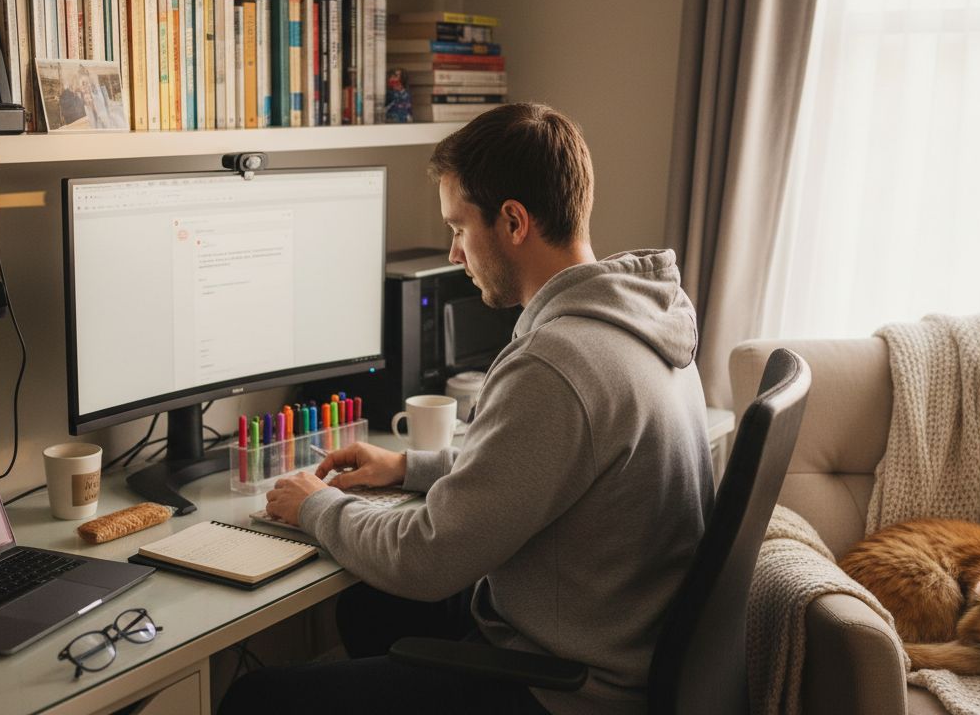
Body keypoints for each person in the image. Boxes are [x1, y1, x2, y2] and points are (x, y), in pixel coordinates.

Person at [222, 103, 715, 714]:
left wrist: (317, 505)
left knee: (255, 700)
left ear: (512, 221)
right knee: (368, 605)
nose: (455, 253)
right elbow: (544, 466)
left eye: (458, 227)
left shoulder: (556, 363)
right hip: (612, 642)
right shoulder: (643, 319)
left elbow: (426, 558)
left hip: (565, 688)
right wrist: (410, 469)